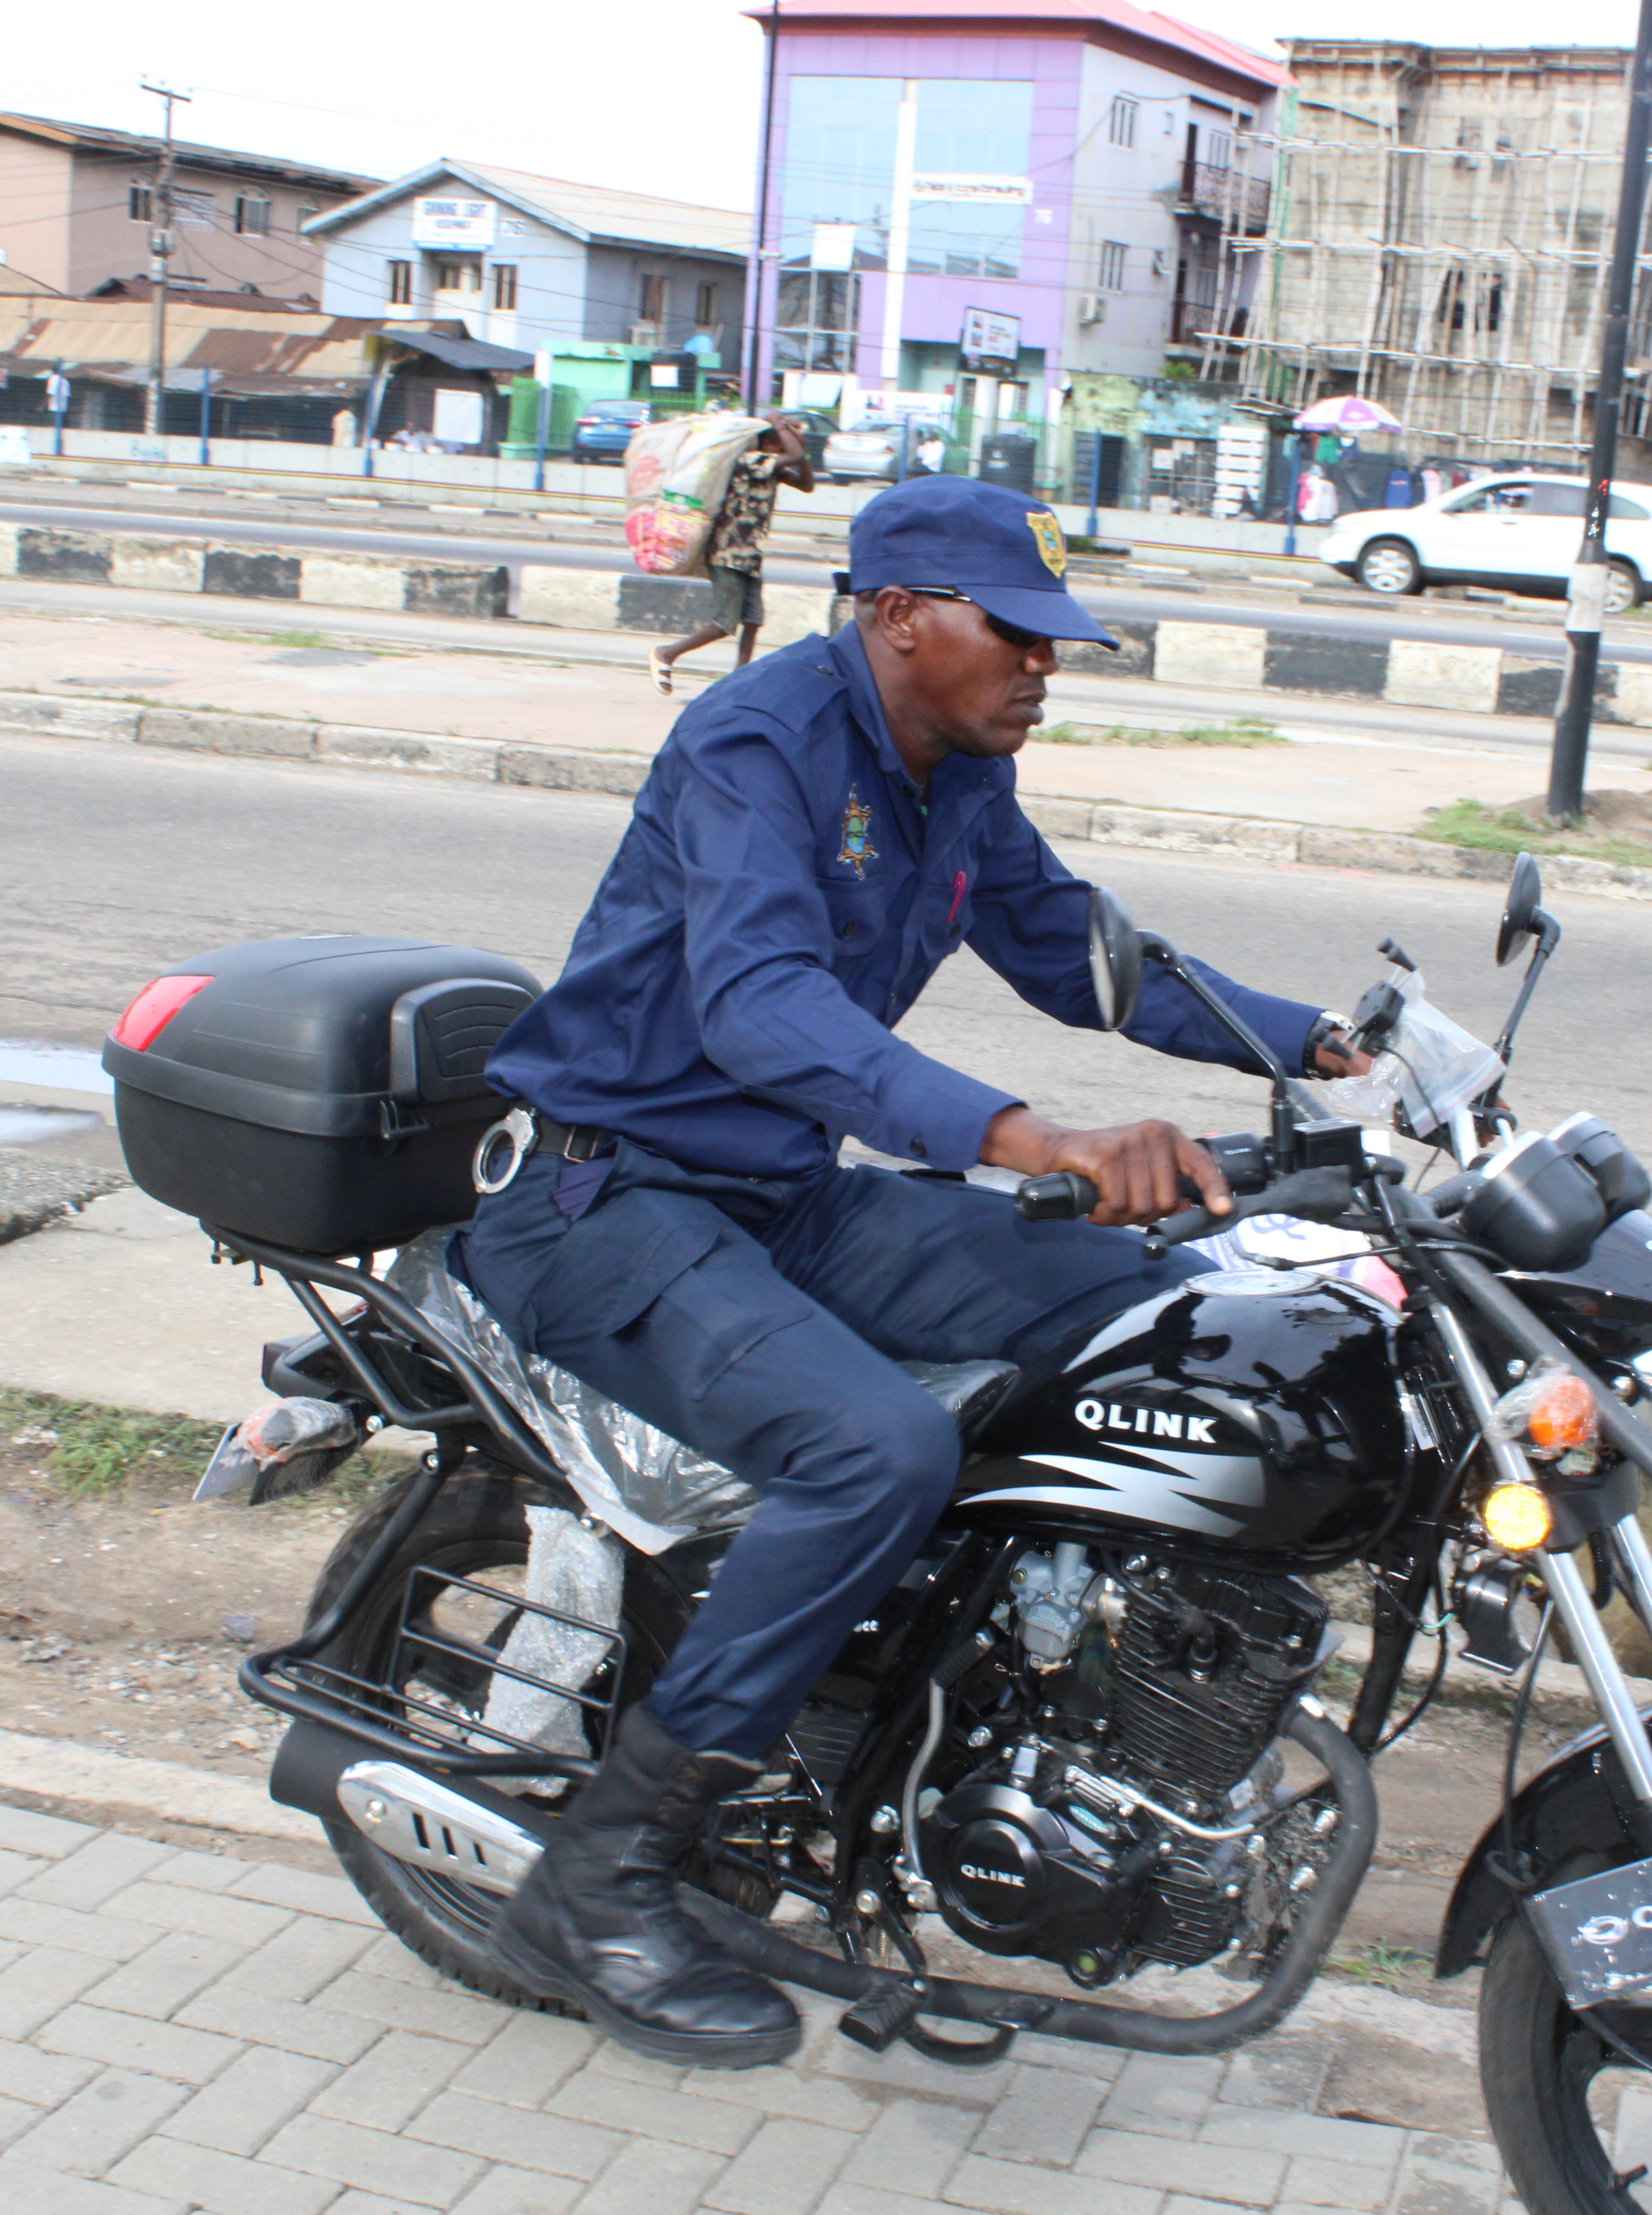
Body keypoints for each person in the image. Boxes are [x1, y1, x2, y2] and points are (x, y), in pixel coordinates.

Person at [459, 475, 1371, 2068]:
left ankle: (975, 1693)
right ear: (896, 616)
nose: (1044, 666)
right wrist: (1033, 1137)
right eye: (1013, 633)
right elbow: (758, 1007)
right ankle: (602, 1883)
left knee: (1160, 1301)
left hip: (779, 1196)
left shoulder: (957, 769)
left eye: (1054, 641)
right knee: (877, 1445)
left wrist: (1324, 1050)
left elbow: (1079, 949)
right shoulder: (761, 740)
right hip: (610, 1203)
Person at [647, 415, 816, 693]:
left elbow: (807, 484)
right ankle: (666, 654)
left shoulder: (770, 468)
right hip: (728, 553)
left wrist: (801, 445)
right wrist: (785, 428)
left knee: (752, 621)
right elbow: (795, 455)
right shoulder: (750, 460)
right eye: (781, 442)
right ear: (769, 441)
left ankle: (739, 682)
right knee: (726, 622)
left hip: (749, 556)